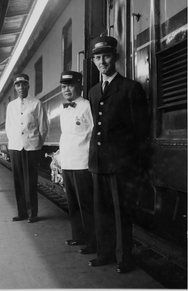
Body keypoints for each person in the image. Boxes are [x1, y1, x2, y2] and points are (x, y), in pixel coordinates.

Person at [88, 35, 149, 273]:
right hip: (98, 162)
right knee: (101, 211)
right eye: (97, 57)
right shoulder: (93, 92)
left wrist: (140, 165)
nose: (102, 61)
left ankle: (124, 258)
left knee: (121, 212)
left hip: (121, 164)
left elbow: (140, 130)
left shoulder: (131, 88)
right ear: (93, 61)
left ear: (115, 57)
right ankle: (104, 253)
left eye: (106, 56)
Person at [59, 71, 96, 254]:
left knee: (86, 205)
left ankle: (92, 241)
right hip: (67, 162)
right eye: (63, 86)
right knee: (72, 203)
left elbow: (93, 134)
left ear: (79, 86)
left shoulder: (87, 107)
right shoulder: (63, 109)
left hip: (82, 163)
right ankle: (78, 236)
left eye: (70, 85)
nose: (66, 90)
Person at [5, 73, 49, 223]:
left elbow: (43, 127)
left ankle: (32, 213)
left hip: (31, 147)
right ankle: (21, 212)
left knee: (31, 180)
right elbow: (8, 126)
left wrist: (37, 144)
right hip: (16, 146)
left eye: (24, 84)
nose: (21, 87)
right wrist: (13, 141)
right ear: (15, 88)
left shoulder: (36, 103)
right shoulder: (11, 106)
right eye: (18, 85)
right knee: (18, 180)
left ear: (28, 86)